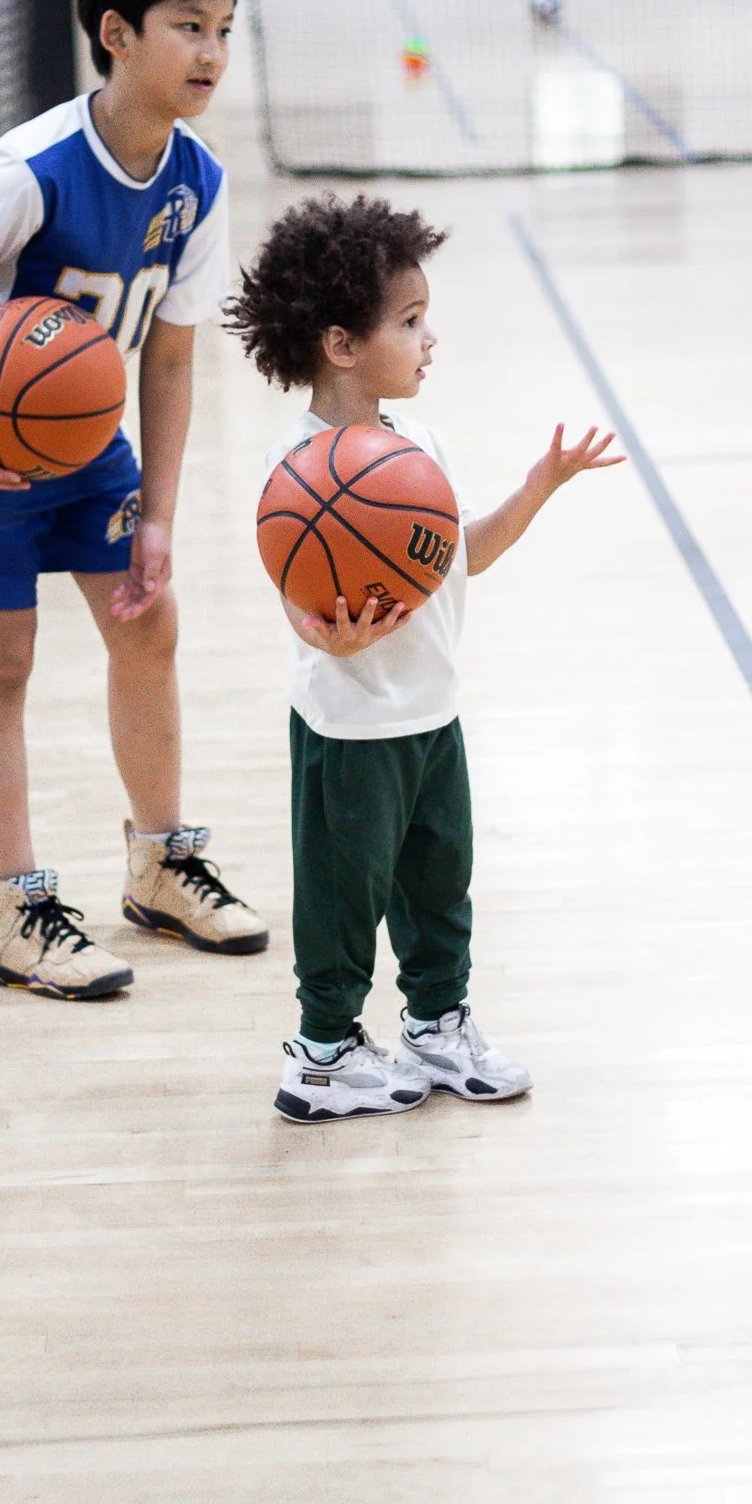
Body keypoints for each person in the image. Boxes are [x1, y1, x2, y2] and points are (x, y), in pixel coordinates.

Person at [0, 0, 267, 999]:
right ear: (117, 33)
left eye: (225, 30)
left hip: (91, 448)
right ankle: (13, 907)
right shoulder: (32, 170)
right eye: (188, 27)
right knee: (1, 662)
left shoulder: (198, 178)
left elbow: (174, 360)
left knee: (151, 625)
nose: (210, 53)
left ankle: (162, 864)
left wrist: (157, 512)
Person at [226, 194, 621, 1122]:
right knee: (342, 901)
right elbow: (297, 599)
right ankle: (320, 1055)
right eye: (409, 321)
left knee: (440, 887)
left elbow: (463, 553)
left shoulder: (415, 447)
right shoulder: (299, 469)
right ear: (340, 345)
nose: (430, 338)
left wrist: (537, 489)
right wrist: (331, 634)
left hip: (431, 717)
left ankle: (437, 1025)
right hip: (351, 730)